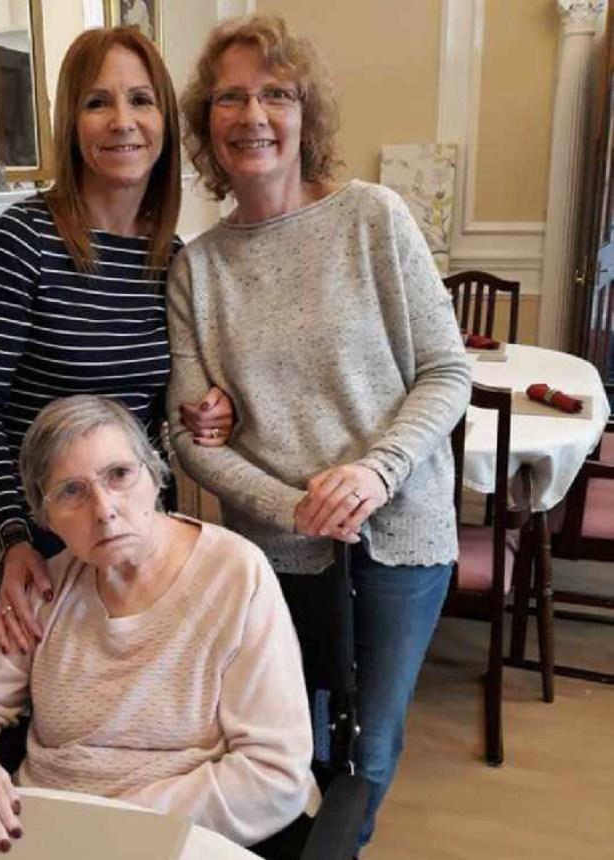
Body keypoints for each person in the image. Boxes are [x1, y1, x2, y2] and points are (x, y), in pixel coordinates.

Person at [167, 14, 471, 851]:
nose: (252, 114)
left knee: (370, 747)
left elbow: (448, 371)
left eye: (276, 93)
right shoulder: (197, 267)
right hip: (275, 549)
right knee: (284, 745)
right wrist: (292, 505)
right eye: (229, 96)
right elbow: (192, 435)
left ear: (306, 114)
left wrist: (375, 472)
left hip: (401, 531)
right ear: (206, 124)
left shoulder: (374, 218)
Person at [0, 395, 318, 853]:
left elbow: (274, 773)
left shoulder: (235, 573)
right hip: (41, 835)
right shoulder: (47, 588)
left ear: (154, 476)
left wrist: (106, 830)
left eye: (119, 475)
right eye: (71, 491)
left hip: (175, 838)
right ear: (44, 515)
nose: (104, 509)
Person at [0, 27, 232, 655]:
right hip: (52, 538)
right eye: (97, 102)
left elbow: (158, 409)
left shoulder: (171, 257)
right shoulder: (19, 244)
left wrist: (208, 410)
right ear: (71, 123)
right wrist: (16, 537)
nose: (123, 122)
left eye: (141, 100)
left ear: (163, 117)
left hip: (138, 527)